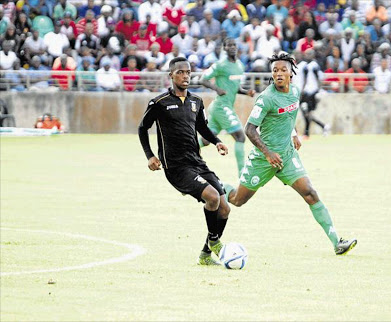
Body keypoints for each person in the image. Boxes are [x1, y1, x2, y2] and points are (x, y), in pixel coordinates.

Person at [222, 52, 357, 256]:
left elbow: (289, 114)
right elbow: (249, 129)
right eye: (275, 70)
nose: (278, 73)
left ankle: (337, 242)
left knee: (310, 193)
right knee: (237, 200)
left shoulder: (294, 91)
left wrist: (293, 133)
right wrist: (267, 154)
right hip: (263, 159)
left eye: (282, 70)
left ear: (291, 73)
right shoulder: (266, 98)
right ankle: (215, 185)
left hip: (287, 156)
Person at [138, 57, 231, 266]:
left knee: (224, 208)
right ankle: (215, 241)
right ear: (171, 75)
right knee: (213, 197)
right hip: (176, 167)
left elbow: (202, 128)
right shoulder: (159, 103)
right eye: (180, 72)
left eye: (188, 72)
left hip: (197, 162)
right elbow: (142, 128)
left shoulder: (196, 102)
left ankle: (206, 254)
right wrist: (150, 155)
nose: (185, 76)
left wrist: (216, 142)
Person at [199, 38, 255, 177]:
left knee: (206, 141)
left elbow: (235, 87)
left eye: (234, 45)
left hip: (224, 106)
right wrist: (216, 88)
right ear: (224, 48)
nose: (232, 47)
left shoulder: (240, 65)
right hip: (221, 106)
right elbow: (202, 79)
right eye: (229, 45)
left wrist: (246, 92)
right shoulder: (220, 65)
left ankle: (182, 151)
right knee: (240, 137)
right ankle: (242, 172)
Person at [296, 48, 329, 138]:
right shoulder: (306, 65)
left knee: (306, 112)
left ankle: (307, 133)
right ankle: (323, 127)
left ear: (313, 55)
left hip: (311, 92)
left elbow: (318, 79)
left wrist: (318, 90)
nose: (307, 55)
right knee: (307, 113)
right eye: (306, 54)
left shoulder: (313, 65)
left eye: (309, 54)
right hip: (307, 92)